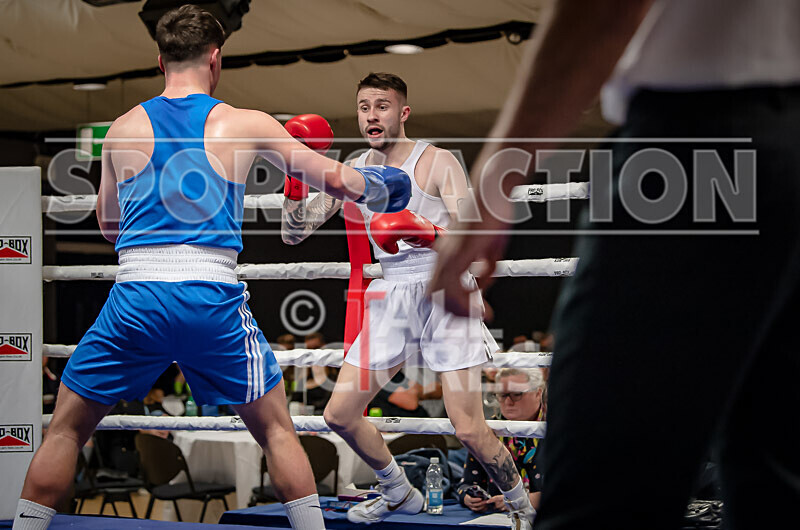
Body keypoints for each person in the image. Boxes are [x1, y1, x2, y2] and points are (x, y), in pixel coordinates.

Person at [13, 6, 411, 530]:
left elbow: (110, 229)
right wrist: (387, 186)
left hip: (136, 295)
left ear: (160, 60)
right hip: (210, 298)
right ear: (215, 60)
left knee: (64, 431)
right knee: (276, 432)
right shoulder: (245, 123)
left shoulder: (121, 129)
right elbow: (337, 180)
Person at [430, 1, 800, 528]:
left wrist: (491, 190)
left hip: (704, 141)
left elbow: (603, 8)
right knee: (776, 474)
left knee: (602, 490)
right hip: (764, 145)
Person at [282, 72, 539, 528]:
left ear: (402, 112)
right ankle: (398, 490)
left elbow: (474, 240)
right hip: (392, 291)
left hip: (444, 285)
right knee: (338, 413)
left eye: (381, 106)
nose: (371, 116)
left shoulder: (438, 162)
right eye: (363, 107)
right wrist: (296, 175)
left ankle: (523, 510)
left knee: (469, 428)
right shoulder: (353, 172)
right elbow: (293, 233)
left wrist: (429, 233)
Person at [457, 368, 545, 514]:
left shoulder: (558, 428)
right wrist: (469, 498)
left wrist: (520, 501)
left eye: (517, 394)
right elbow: (466, 484)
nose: (508, 401)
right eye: (502, 395)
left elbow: (573, 490)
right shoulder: (488, 430)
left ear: (538, 393)